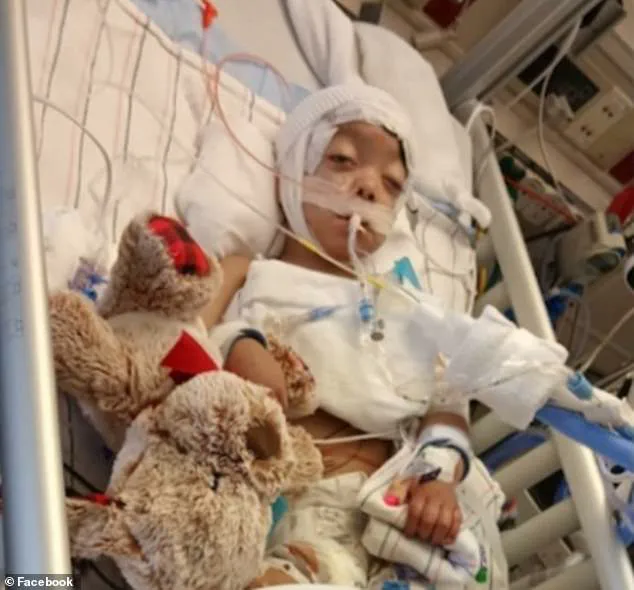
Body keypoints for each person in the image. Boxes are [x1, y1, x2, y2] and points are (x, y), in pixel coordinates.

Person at [203, 83, 507, 589]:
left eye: (392, 184)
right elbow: (181, 340)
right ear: (294, 170)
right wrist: (238, 343)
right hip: (286, 508)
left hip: (394, 520)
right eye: (343, 160)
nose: (369, 188)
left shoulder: (407, 308)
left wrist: (437, 477)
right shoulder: (249, 273)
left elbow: (447, 406)